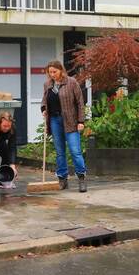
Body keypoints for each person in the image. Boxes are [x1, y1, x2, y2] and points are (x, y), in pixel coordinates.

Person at [40, 60, 88, 192]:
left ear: (61, 70)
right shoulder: (47, 84)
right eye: (50, 72)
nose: (52, 74)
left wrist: (81, 121)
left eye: (54, 71)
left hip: (71, 121)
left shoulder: (71, 82)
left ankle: (81, 178)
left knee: (75, 151)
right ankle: (62, 179)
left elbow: (80, 102)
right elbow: (44, 100)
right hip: (55, 121)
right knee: (60, 152)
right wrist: (44, 109)